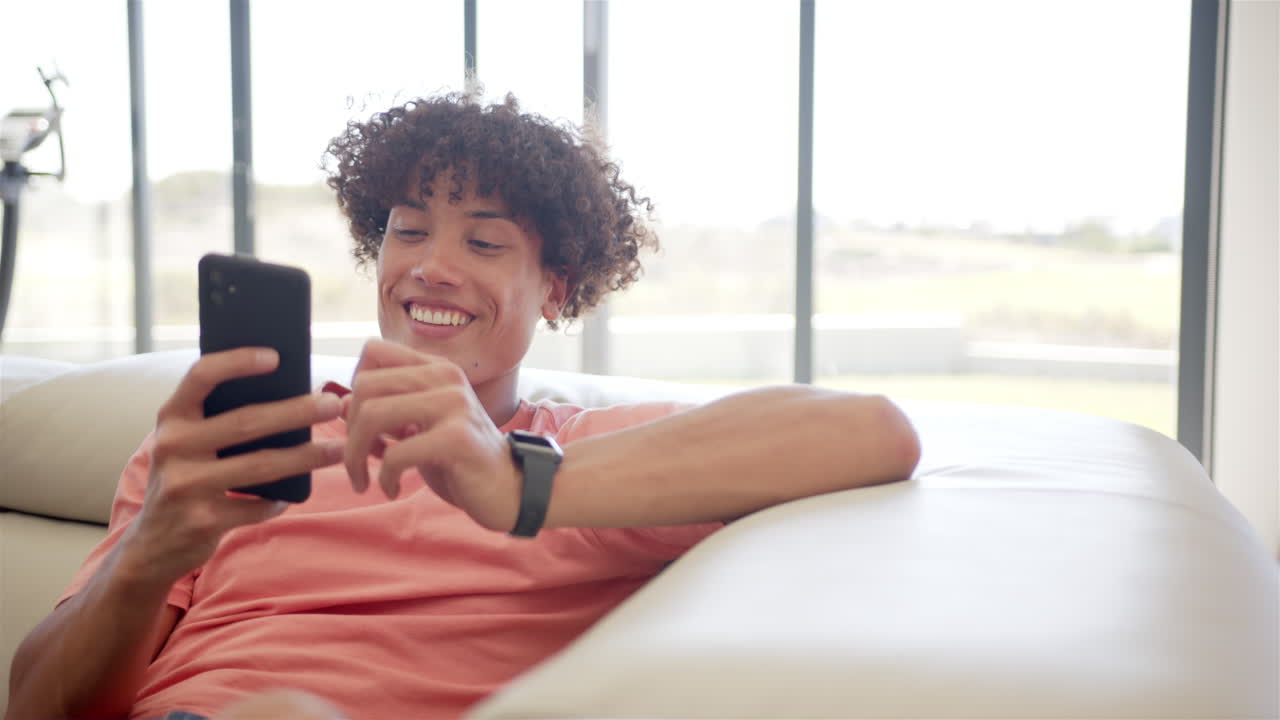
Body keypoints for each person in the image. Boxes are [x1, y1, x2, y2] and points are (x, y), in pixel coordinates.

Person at [5, 92, 921, 720]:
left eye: (484, 242)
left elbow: (874, 431)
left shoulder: (589, 461)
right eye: (408, 230)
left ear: (554, 291)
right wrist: (148, 554)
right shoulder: (230, 450)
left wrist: (513, 481)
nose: (431, 266)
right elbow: (38, 706)